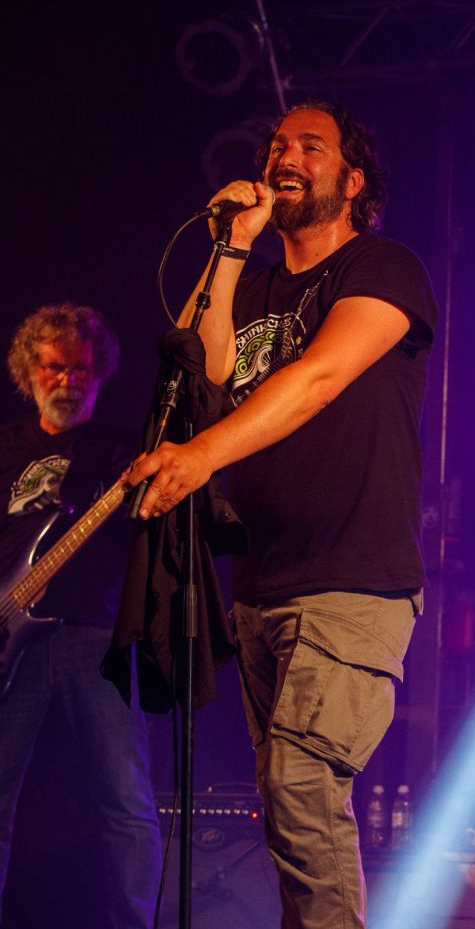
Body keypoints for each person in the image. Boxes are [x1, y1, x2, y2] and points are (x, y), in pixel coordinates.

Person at [126, 101, 437, 928]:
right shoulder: (256, 287)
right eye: (276, 145)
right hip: (262, 589)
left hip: (353, 584)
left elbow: (319, 378)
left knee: (299, 790)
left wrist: (199, 458)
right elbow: (198, 373)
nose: (284, 155)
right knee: (290, 812)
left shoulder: (384, 268)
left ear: (353, 180)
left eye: (310, 145)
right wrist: (231, 246)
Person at [0, 303, 160, 928]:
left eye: (80, 370)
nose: (67, 380)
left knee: (124, 800)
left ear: (100, 373)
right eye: (54, 367)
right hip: (9, 639)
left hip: (93, 635)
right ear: (29, 371)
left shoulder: (120, 450)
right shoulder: (7, 445)